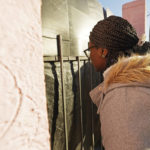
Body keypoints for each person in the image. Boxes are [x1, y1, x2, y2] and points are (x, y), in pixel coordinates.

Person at [86, 15, 150, 150]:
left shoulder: (121, 98)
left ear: (103, 51)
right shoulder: (135, 82)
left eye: (90, 49)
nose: (89, 55)